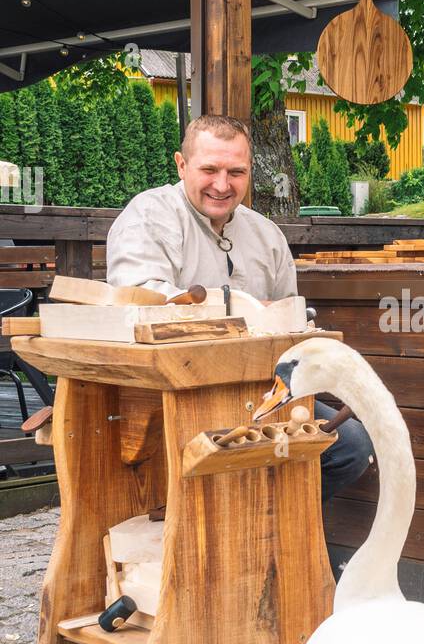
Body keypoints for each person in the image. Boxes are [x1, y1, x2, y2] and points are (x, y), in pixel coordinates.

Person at [106, 112, 372, 501]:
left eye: (236, 172)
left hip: (261, 400)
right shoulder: (148, 216)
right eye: (209, 169)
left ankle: (278, 537)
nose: (222, 185)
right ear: (181, 165)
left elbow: (290, 325)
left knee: (350, 447)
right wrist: (240, 307)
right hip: (167, 400)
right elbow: (140, 300)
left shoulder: (267, 235)